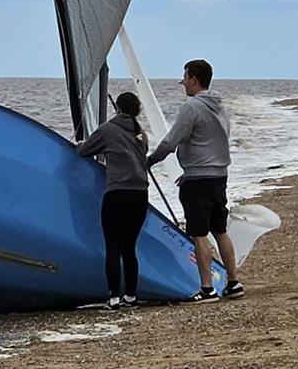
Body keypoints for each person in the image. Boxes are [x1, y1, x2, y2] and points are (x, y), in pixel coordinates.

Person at [147, 59, 243, 303]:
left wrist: (148, 161)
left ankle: (207, 288)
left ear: (194, 79)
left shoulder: (191, 108)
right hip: (219, 175)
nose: (183, 84)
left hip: (199, 180)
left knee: (199, 233)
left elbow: (171, 141)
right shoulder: (221, 106)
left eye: (185, 78)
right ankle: (234, 282)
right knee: (220, 229)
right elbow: (213, 141)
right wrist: (189, 170)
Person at [76, 92, 149, 310]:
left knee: (113, 247)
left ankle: (114, 297)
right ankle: (131, 296)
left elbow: (84, 151)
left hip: (117, 194)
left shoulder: (108, 129)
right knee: (129, 248)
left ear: (117, 108)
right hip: (140, 195)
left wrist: (82, 143)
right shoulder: (140, 133)